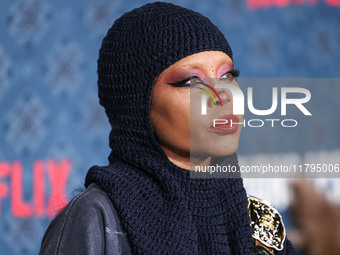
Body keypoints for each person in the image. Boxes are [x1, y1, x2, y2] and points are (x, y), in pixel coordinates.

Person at [39, 2, 297, 254]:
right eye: (191, 81)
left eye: (228, 76)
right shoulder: (97, 219)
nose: (223, 95)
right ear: (138, 104)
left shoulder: (259, 228)